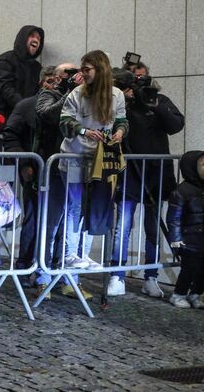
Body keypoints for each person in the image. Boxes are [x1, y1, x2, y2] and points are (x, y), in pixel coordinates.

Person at [107, 67, 184, 297]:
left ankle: (151, 276)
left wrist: (155, 105)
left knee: (153, 228)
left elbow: (176, 125)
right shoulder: (121, 104)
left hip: (156, 174)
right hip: (129, 173)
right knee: (123, 226)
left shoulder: (158, 100)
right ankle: (117, 274)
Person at [58, 50, 128, 297]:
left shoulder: (116, 95)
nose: (83, 73)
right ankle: (69, 254)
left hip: (101, 159)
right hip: (75, 158)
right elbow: (64, 122)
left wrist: (120, 132)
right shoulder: (76, 94)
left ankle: (84, 254)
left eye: (87, 69)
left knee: (95, 207)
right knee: (74, 207)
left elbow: (122, 120)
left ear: (100, 70)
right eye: (82, 69)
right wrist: (84, 131)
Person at [3, 67, 60, 275]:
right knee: (33, 218)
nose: (53, 86)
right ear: (41, 83)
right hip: (35, 170)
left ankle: (50, 267)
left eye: (56, 82)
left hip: (57, 170)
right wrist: (25, 163)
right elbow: (11, 135)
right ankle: (26, 265)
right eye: (49, 82)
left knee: (56, 221)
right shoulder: (26, 105)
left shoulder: (67, 107)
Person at [33, 63, 82, 298]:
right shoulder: (48, 94)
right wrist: (71, 92)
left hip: (75, 168)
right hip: (53, 167)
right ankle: (43, 276)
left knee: (72, 226)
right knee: (50, 224)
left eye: (76, 73)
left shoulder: (83, 97)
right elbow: (47, 116)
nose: (73, 77)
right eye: (68, 74)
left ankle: (68, 278)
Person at [166, 151, 204, 309]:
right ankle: (178, 294)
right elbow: (174, 220)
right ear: (192, 167)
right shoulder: (182, 191)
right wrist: (176, 241)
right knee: (189, 268)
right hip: (189, 239)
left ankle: (196, 294)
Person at [0, 25, 44, 118]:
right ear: (23, 38)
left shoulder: (37, 67)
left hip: (23, 121)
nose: (36, 40)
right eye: (32, 36)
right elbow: (7, 90)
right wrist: (26, 109)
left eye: (39, 38)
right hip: (1, 121)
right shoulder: (5, 60)